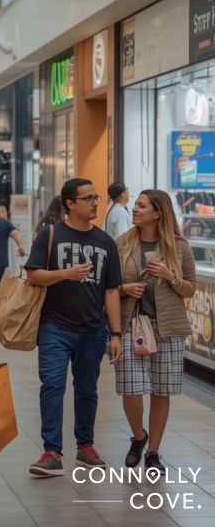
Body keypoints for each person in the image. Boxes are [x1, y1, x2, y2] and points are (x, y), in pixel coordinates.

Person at [25, 178, 123, 477]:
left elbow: (111, 290)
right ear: (70, 203)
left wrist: (115, 333)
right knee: (52, 386)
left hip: (93, 329)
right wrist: (65, 274)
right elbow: (33, 276)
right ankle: (51, 451)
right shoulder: (50, 234)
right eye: (88, 198)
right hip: (55, 325)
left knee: (86, 389)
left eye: (96, 197)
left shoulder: (105, 241)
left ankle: (85, 445)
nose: (95, 202)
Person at [115, 190, 196, 473]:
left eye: (141, 205)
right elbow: (108, 286)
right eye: (135, 204)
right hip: (131, 324)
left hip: (168, 326)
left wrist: (170, 276)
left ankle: (153, 452)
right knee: (130, 387)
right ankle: (139, 435)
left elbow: (190, 288)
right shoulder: (122, 243)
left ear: (158, 213)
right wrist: (125, 289)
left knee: (161, 391)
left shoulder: (179, 246)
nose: (134, 209)